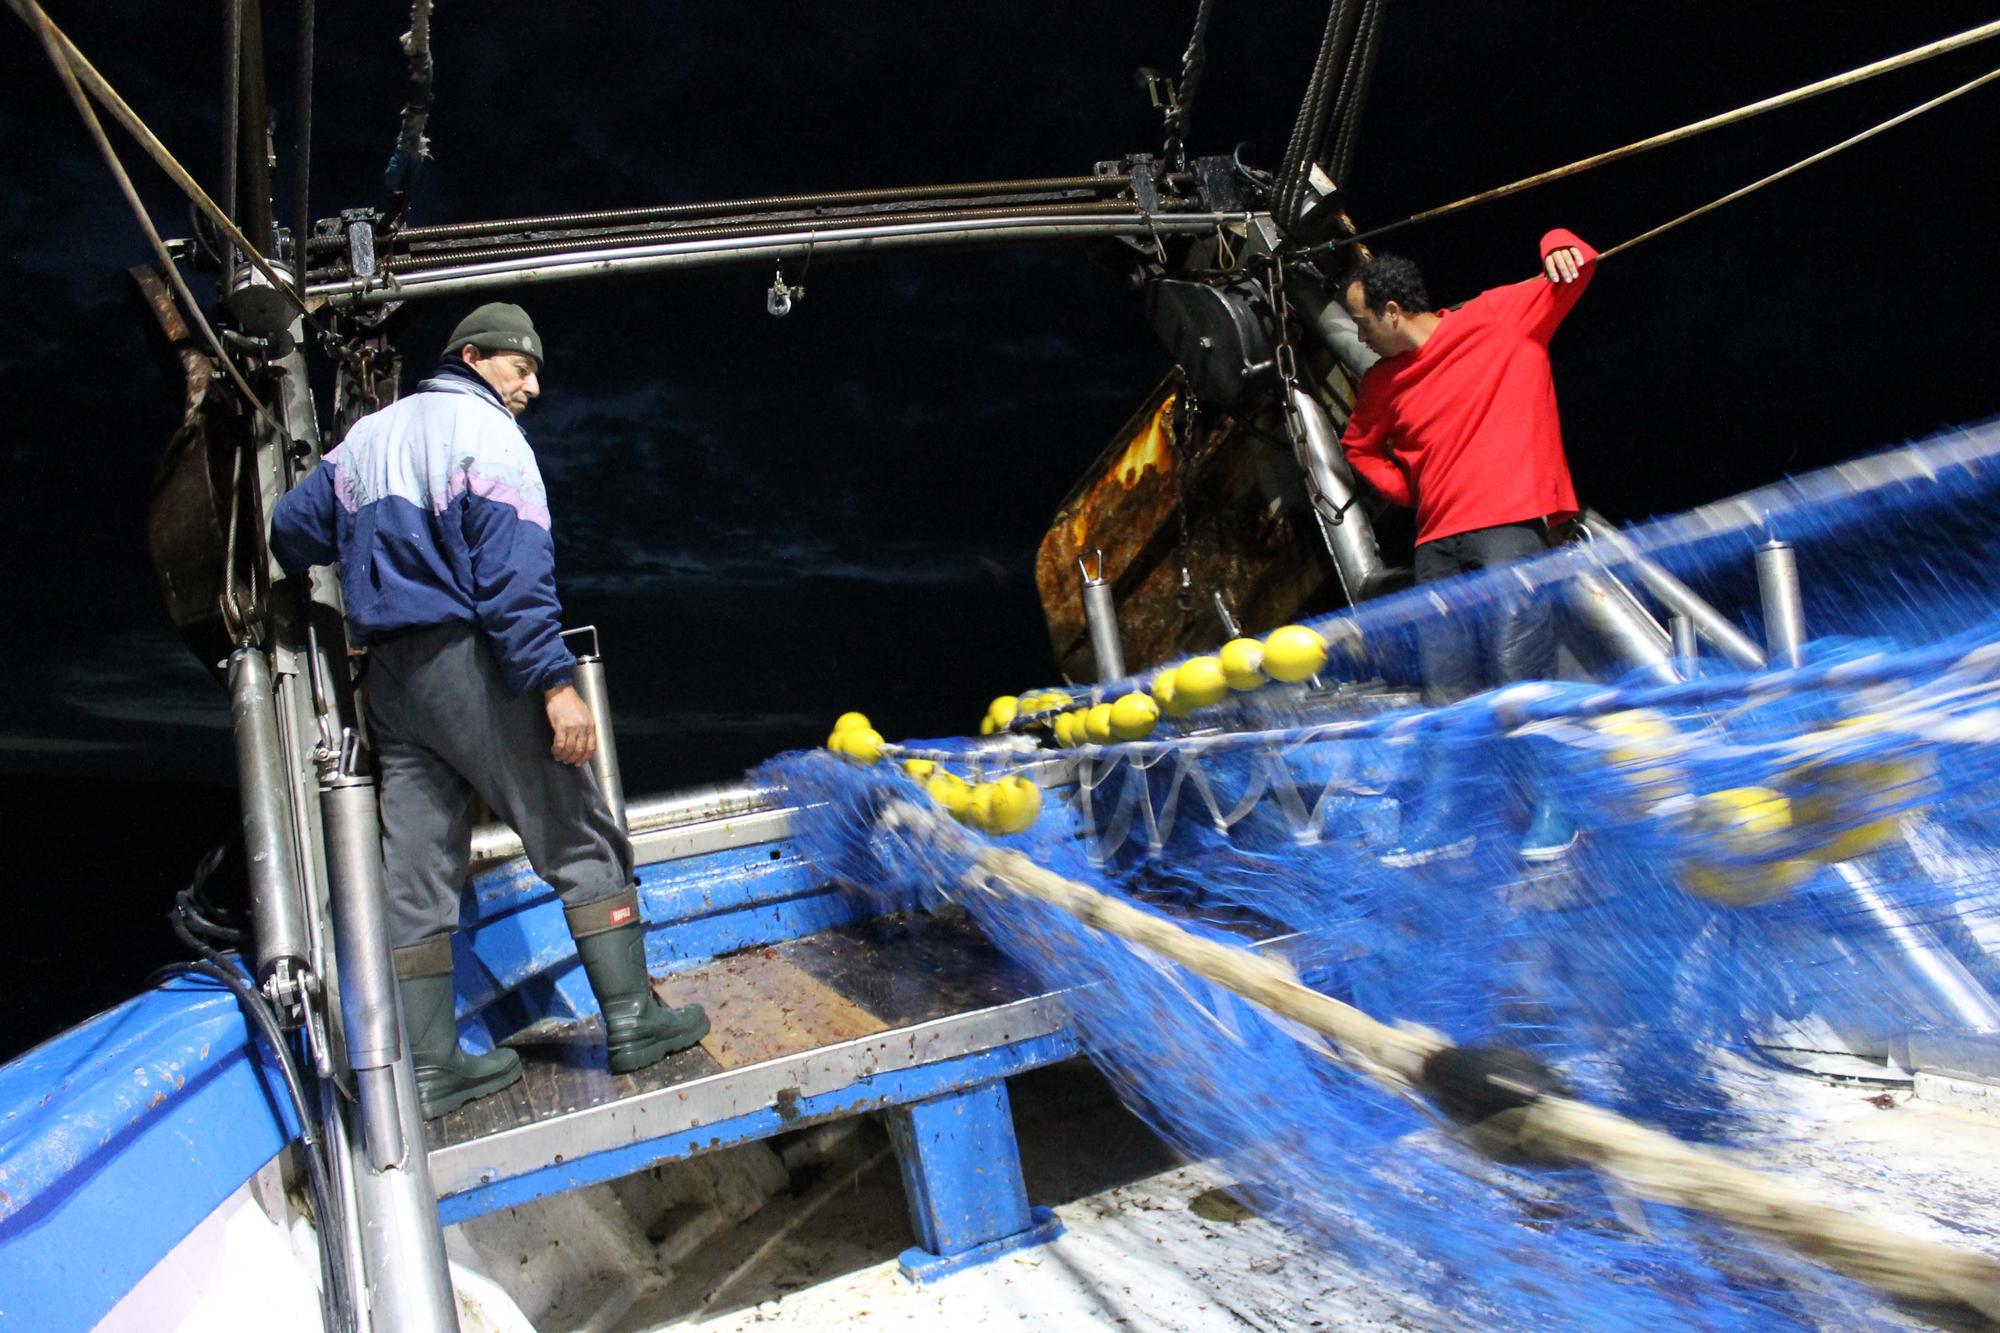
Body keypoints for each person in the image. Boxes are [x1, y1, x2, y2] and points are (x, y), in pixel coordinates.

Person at [270, 302, 708, 1118]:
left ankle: (433, 1066)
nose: (531, 386)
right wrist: (554, 683)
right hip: (471, 663)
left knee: (417, 867)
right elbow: (514, 575)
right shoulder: (488, 434)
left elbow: (289, 531)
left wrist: (375, 546)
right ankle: (632, 1019)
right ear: (471, 357)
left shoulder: (363, 442)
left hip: (391, 682)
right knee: (577, 829)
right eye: (520, 366)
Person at [1339, 230, 1596, 863]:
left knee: (1517, 670)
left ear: (1392, 312)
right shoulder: (1381, 383)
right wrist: (1412, 490)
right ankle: (1454, 817)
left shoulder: (1497, 318)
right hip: (1436, 544)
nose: (1360, 335)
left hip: (1510, 525)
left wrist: (1556, 242)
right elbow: (1358, 447)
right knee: (1446, 688)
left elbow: (1580, 265)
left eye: (1362, 321)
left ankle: (1553, 807)